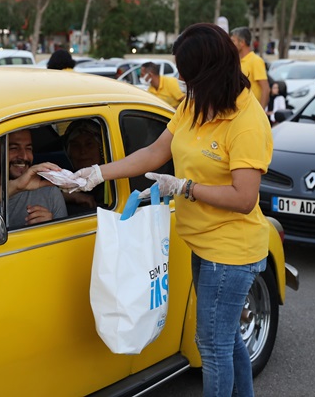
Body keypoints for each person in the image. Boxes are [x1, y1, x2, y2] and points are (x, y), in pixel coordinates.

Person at [71, 23, 273, 397]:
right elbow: (154, 152)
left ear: (207, 72)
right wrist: (98, 173)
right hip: (202, 243)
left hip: (232, 251)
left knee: (211, 346)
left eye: (185, 72)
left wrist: (185, 187)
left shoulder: (246, 122)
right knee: (227, 339)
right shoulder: (196, 105)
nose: (180, 79)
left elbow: (244, 197)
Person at [0, 129, 67, 228]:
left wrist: (50, 227)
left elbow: (65, 238)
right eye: (14, 148)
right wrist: (16, 186)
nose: (24, 156)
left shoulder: (49, 193)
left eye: (28, 148)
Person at [62, 119, 105, 211]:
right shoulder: (62, 179)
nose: (82, 151)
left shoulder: (113, 182)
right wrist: (68, 196)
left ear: (101, 149)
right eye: (76, 145)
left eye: (89, 144)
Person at [230, 27, 269, 111]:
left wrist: (260, 112)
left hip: (251, 112)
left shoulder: (255, 61)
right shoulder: (236, 62)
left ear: (242, 43)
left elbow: (265, 89)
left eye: (233, 41)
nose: (231, 44)